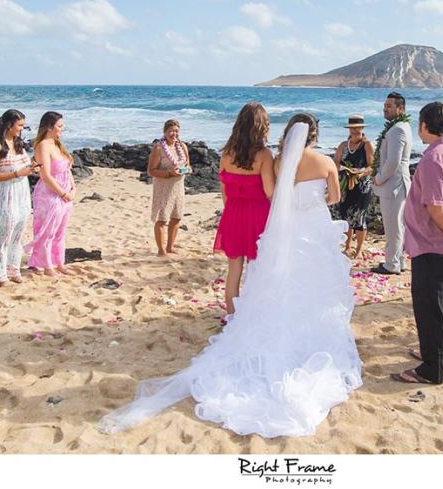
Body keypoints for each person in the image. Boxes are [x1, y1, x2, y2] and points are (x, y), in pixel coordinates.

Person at [99, 114, 362, 438]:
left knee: (278, 284)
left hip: (286, 232)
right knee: (315, 287)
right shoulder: (325, 163)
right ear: (315, 135)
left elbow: (273, 195)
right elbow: (334, 199)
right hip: (314, 230)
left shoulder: (279, 162)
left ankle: (253, 319)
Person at [392, 102, 443, 385]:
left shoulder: (433, 159)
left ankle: (432, 368)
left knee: (430, 308)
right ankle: (441, 355)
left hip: (432, 242)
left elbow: (436, 207)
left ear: (424, 126)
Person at [213, 102, 275, 318]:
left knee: (234, 271)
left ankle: (232, 317)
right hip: (258, 215)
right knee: (256, 270)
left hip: (233, 214)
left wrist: (232, 212)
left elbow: (224, 192)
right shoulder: (265, 155)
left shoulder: (226, 154)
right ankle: (253, 315)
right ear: (260, 127)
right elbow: (269, 191)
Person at [0, 109, 39, 285]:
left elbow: (25, 166)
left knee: (18, 232)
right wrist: (17, 173)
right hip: (4, 194)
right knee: (1, 233)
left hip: (21, 193)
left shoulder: (19, 144)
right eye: (20, 125)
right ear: (9, 125)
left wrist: (32, 168)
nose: (22, 129)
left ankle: (12, 268)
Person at [24, 111, 75, 277]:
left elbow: (67, 169)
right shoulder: (43, 146)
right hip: (49, 194)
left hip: (65, 193)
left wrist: (73, 188)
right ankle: (47, 266)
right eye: (59, 126)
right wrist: (62, 193)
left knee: (60, 231)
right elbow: (45, 175)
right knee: (47, 231)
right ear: (49, 127)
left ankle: (59, 262)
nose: (62, 129)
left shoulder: (57, 144)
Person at [370, 92, 413, 275]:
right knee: (398, 225)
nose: (385, 108)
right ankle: (398, 260)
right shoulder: (401, 126)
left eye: (389, 105)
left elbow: (393, 162)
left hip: (394, 185)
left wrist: (378, 178)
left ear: (400, 108)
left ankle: (391, 264)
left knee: (393, 226)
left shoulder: (398, 129)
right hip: (397, 184)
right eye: (384, 105)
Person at [332, 115, 374, 259]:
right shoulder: (343, 145)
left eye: (358, 128)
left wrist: (360, 172)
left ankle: (359, 248)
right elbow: (335, 162)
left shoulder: (367, 145)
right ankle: (348, 245)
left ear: (362, 128)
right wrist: (344, 168)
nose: (355, 131)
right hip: (346, 185)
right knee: (345, 216)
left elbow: (372, 166)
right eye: (352, 128)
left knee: (359, 217)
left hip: (362, 186)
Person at [147, 119, 190, 256]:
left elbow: (187, 164)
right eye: (171, 131)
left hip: (178, 186)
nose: (174, 134)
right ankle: (161, 250)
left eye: (176, 131)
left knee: (177, 217)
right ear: (164, 132)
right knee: (162, 219)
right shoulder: (159, 148)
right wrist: (168, 173)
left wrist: (187, 170)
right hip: (163, 187)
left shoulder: (182, 146)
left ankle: (170, 246)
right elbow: (151, 171)